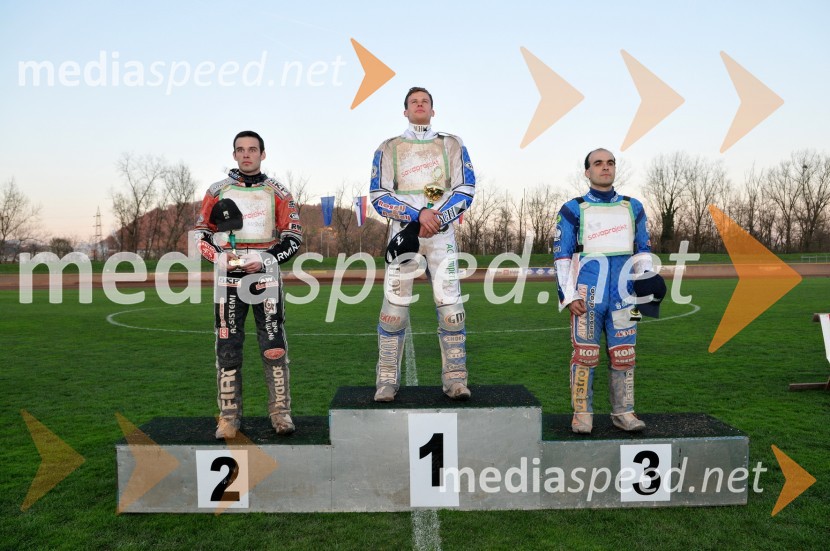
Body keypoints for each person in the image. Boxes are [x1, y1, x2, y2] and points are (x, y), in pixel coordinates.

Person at [369, 87, 476, 402]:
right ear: (405, 111)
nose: (419, 105)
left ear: (433, 110)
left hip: (441, 236)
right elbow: (378, 194)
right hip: (404, 235)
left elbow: (466, 187)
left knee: (452, 312)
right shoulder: (388, 147)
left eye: (425, 101)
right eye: (413, 102)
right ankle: (386, 381)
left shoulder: (451, 143)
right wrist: (418, 216)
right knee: (393, 313)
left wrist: (436, 218)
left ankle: (456, 380)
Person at [194, 130, 303, 438]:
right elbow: (200, 234)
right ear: (234, 155)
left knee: (273, 347)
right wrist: (219, 257)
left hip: (265, 277)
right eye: (240, 150)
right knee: (228, 348)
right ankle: (228, 417)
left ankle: (280, 413)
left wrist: (267, 258)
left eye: (252, 150)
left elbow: (293, 237)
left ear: (262, 154)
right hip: (228, 279)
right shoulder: (217, 191)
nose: (246, 154)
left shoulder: (278, 192)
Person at [553, 148, 654, 434]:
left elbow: (643, 249)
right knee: (584, 355)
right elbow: (562, 255)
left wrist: (646, 283)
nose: (605, 168)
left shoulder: (633, 207)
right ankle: (582, 414)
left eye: (610, 163)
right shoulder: (573, 208)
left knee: (625, 355)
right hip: (588, 294)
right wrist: (569, 294)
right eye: (598, 163)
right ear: (587, 171)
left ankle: (624, 413)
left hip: (625, 295)